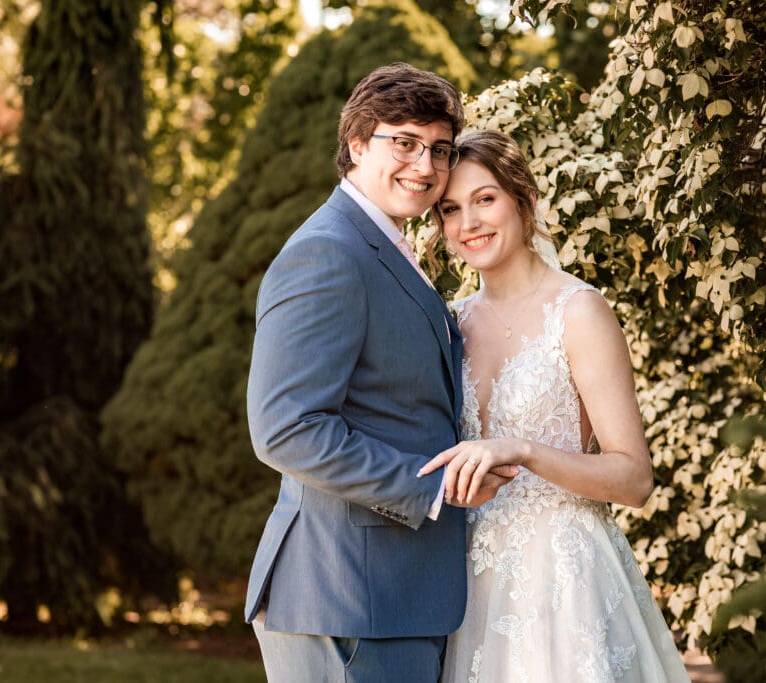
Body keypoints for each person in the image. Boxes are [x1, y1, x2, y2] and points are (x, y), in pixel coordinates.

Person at [244, 65, 515, 682]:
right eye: (405, 143)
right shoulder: (327, 252)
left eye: (439, 150)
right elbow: (286, 429)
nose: (425, 166)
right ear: (358, 143)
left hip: (391, 593)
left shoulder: (382, 243)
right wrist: (435, 487)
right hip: (350, 595)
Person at [419, 130, 691, 682]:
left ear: (522, 199)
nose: (468, 223)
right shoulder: (449, 321)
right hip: (470, 590)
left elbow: (634, 479)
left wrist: (524, 449)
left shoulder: (580, 312)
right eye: (451, 209)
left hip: (566, 587)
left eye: (485, 199)